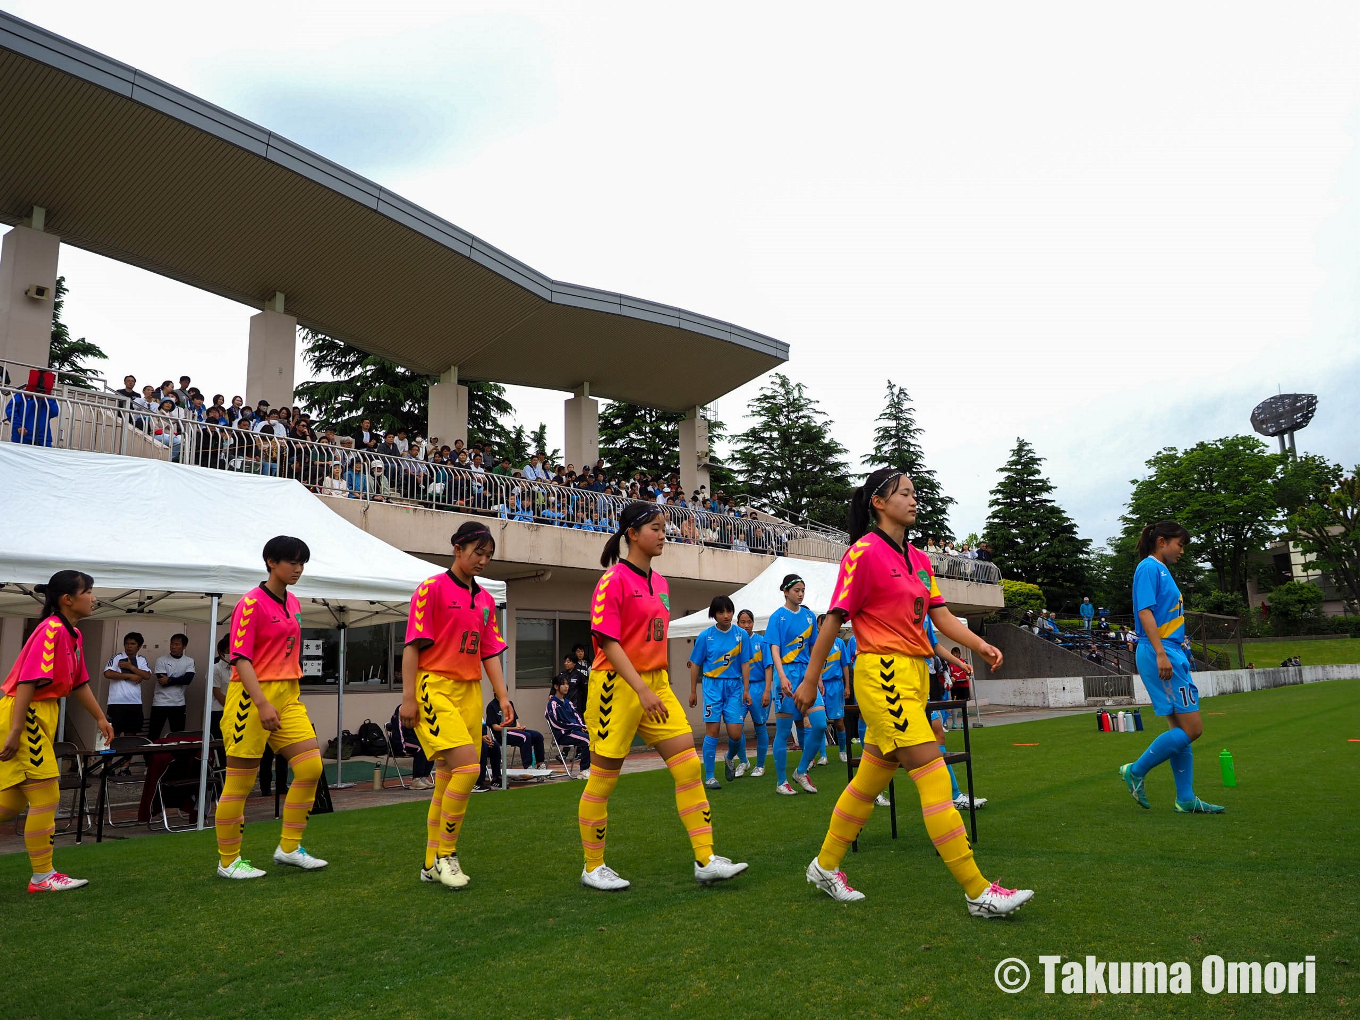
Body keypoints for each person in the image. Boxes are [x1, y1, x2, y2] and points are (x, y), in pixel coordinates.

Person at [799, 468, 1032, 915]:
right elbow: (834, 617)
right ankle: (977, 890)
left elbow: (938, 617)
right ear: (878, 504)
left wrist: (978, 644)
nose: (913, 499)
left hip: (912, 675)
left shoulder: (921, 560)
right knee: (934, 775)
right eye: (903, 493)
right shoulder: (862, 554)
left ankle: (825, 866)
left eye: (914, 493)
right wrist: (811, 678)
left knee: (868, 780)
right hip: (882, 676)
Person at [577, 501, 747, 891]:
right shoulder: (613, 580)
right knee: (603, 778)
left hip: (656, 685)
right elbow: (606, 639)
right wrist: (639, 687)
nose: (663, 534)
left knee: (688, 767)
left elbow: (654, 640)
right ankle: (593, 866)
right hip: (615, 688)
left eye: (664, 527)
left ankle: (705, 859)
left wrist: (659, 684)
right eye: (655, 528)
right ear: (632, 534)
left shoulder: (662, 583)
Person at [400, 522, 512, 890]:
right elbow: (412, 646)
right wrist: (408, 698)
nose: (483, 560)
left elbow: (489, 650)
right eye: (477, 552)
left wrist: (502, 694)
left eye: (488, 555)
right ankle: (447, 856)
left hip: (470, 693)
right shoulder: (431, 588)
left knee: (447, 778)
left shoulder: (483, 599)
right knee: (468, 769)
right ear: (457, 549)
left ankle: (430, 863)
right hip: (435, 687)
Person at [214, 536, 328, 880]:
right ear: (270, 562)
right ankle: (228, 862)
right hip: (251, 697)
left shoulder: (293, 601)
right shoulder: (250, 603)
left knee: (310, 767)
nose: (298, 569)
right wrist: (261, 702)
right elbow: (240, 657)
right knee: (240, 782)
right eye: (291, 562)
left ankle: (290, 849)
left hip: (288, 695)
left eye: (302, 563)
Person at [0, 570, 114, 892]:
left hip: (38, 714)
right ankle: (42, 876)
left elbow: (79, 683)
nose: (94, 597)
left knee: (11, 801)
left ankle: (43, 875)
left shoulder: (72, 635)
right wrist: (17, 729)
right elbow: (26, 681)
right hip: (28, 715)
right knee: (46, 795)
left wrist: (101, 719)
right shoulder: (51, 630)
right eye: (88, 591)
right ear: (68, 599)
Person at [1118, 521, 1225, 815]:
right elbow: (1144, 612)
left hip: (1169, 650)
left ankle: (1186, 798)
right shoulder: (1149, 568)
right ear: (1162, 541)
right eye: (1180, 544)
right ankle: (1136, 770)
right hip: (1161, 651)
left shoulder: (1160, 570)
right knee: (1193, 729)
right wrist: (1162, 653)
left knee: (1180, 729)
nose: (1182, 551)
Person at [765, 574, 824, 795]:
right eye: (797, 590)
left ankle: (800, 771)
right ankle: (781, 781)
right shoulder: (777, 617)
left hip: (806, 676)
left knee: (819, 724)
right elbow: (774, 649)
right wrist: (781, 677)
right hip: (787, 674)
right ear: (786, 591)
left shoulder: (810, 616)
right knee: (782, 732)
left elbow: (814, 650)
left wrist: (817, 677)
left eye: (803, 590)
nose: (800, 594)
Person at [687, 595, 754, 789]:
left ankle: (729, 757)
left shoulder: (741, 635)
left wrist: (746, 690)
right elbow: (695, 665)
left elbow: (745, 663)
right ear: (713, 614)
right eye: (721, 612)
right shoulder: (705, 636)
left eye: (729, 611)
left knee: (735, 734)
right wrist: (693, 691)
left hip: (734, 688)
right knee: (713, 731)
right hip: (712, 686)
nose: (726, 615)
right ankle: (709, 777)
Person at [735, 609, 770, 778]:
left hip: (758, 688)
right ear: (738, 624)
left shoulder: (762, 642)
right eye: (743, 622)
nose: (746, 625)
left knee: (760, 727)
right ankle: (743, 761)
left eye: (749, 622)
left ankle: (760, 765)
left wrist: (767, 691)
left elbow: (768, 667)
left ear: (753, 623)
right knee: (736, 726)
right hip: (739, 688)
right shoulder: (734, 642)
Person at [816, 614, 850, 764]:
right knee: (820, 721)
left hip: (836, 685)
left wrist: (847, 685)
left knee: (839, 720)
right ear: (817, 626)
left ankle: (842, 750)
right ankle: (823, 755)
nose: (823, 627)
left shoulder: (839, 643)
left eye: (826, 624)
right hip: (819, 685)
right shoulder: (815, 643)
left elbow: (845, 665)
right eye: (821, 624)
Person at [104, 632, 152, 737]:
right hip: (116, 702)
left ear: (139, 646)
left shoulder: (142, 659)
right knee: (114, 734)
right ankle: (112, 754)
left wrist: (131, 668)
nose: (129, 646)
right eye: (127, 643)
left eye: (133, 644)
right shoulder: (116, 657)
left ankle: (127, 754)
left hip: (135, 702)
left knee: (131, 735)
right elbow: (107, 673)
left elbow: (147, 676)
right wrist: (129, 676)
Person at [149, 633, 195, 739]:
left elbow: (188, 680)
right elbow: (162, 681)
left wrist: (169, 679)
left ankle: (177, 756)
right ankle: (150, 755)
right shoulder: (161, 660)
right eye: (172, 644)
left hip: (178, 703)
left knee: (177, 735)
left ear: (184, 646)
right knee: (154, 734)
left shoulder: (189, 661)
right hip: (160, 703)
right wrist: (179, 679)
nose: (173, 647)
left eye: (177, 644)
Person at [546, 674, 591, 778]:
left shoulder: (568, 703)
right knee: (588, 740)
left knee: (593, 736)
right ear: (556, 686)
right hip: (563, 735)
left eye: (567, 684)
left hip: (574, 732)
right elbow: (555, 723)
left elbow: (577, 717)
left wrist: (583, 726)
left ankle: (590, 767)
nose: (566, 686)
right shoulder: (552, 704)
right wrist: (577, 727)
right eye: (563, 684)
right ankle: (584, 770)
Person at [487, 697, 544, 768]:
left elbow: (515, 720)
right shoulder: (491, 706)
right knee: (525, 736)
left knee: (538, 736)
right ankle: (528, 766)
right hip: (503, 734)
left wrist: (519, 728)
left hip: (515, 731)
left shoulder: (509, 703)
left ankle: (540, 764)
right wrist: (514, 728)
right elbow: (495, 727)